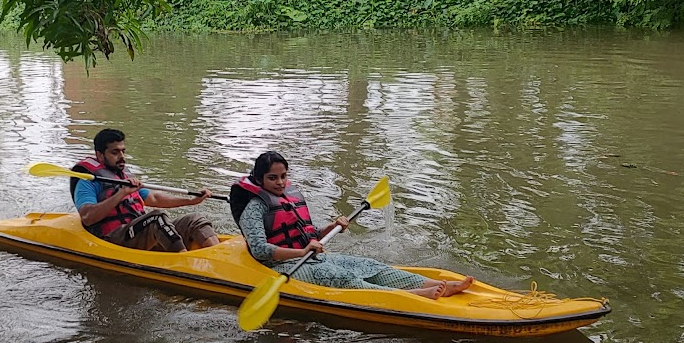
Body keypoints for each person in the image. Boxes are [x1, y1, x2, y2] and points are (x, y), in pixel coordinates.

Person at [230, 150, 473, 298]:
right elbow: (261, 250)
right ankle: (414, 296)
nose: (280, 183)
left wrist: (330, 228)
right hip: (279, 268)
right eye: (272, 178)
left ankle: (437, 285)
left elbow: (307, 233)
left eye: (283, 176)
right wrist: (302, 252)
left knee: (369, 265)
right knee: (343, 278)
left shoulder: (287, 199)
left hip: (309, 257)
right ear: (259, 179)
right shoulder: (254, 208)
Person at [71, 128, 219, 253]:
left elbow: (154, 199)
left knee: (195, 219)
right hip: (113, 239)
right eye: (115, 152)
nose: (122, 157)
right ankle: (184, 261)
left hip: (138, 232)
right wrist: (121, 193)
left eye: (123, 151)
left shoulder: (125, 176)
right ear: (100, 155)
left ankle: (218, 255)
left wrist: (191, 201)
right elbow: (87, 217)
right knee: (156, 218)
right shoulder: (88, 182)